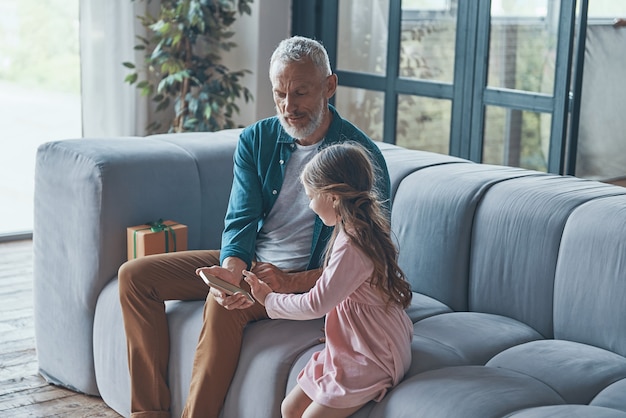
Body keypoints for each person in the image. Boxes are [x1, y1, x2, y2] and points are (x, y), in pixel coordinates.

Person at [117, 35, 391, 418]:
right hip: (253, 264)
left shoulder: (360, 158)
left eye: (300, 93)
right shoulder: (256, 139)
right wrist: (232, 269)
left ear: (329, 86)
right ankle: (149, 413)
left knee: (222, 307)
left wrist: (287, 282)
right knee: (135, 277)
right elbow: (241, 217)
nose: (288, 106)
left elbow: (370, 252)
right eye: (279, 93)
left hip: (308, 281)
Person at [237, 142, 413, 418]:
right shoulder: (351, 230)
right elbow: (337, 294)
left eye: (311, 196)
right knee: (289, 408)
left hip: (374, 352)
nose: (310, 205)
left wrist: (269, 300)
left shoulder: (354, 243)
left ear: (332, 196)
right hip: (354, 341)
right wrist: (342, 326)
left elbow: (315, 304)